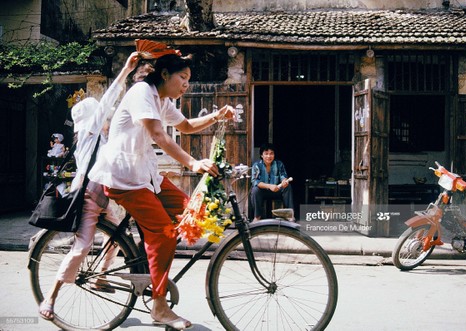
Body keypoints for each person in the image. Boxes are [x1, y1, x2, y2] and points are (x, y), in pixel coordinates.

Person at [88, 50, 234, 329]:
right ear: (165, 74)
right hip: (125, 179)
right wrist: (193, 162)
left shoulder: (162, 99)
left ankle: (153, 264)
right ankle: (159, 306)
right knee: (165, 235)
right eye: (183, 77)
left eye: (189, 79)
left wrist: (217, 116)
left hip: (147, 175)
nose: (186, 84)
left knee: (190, 212)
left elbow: (187, 126)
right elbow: (158, 134)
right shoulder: (142, 91)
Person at [38, 52, 142, 321]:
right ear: (93, 117)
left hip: (103, 197)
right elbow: (108, 101)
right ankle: (51, 295)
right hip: (88, 197)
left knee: (117, 238)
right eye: (101, 114)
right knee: (82, 247)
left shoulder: (100, 137)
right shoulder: (89, 133)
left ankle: (99, 279)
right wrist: (126, 71)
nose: (105, 117)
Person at [249, 143, 294, 221]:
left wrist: (284, 182)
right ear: (261, 155)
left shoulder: (279, 164)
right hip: (263, 192)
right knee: (255, 190)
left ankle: (290, 215)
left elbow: (283, 176)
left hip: (277, 190)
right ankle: (257, 216)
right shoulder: (256, 165)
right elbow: (255, 181)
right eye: (266, 154)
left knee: (288, 187)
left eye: (271, 154)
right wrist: (269, 186)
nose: (269, 156)